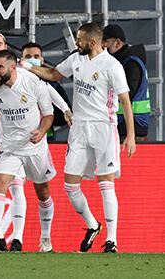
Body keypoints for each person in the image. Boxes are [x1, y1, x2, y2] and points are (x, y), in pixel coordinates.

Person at [21, 22, 136, 253]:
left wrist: (130, 135)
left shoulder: (111, 66)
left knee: (106, 185)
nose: (76, 43)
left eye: (80, 40)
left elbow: (125, 100)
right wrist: (26, 66)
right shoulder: (76, 59)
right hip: (80, 129)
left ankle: (112, 241)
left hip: (104, 128)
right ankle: (93, 225)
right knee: (70, 186)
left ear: (92, 42)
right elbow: (53, 74)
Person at [0, 50, 57, 253]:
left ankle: (45, 237)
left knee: (43, 193)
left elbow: (48, 115)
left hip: (34, 145)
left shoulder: (33, 84)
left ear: (13, 67)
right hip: (10, 146)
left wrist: (42, 130)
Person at [101, 24, 151, 142]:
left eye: (106, 42)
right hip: (126, 123)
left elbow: (127, 93)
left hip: (131, 124)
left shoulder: (131, 63)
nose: (103, 46)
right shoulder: (124, 61)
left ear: (118, 42)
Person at [21, 42, 72, 141]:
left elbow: (63, 115)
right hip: (17, 135)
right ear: (21, 60)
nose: (32, 60)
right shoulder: (12, 81)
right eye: (28, 57)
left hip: (45, 137)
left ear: (42, 60)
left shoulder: (51, 84)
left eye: (36, 56)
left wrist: (45, 113)